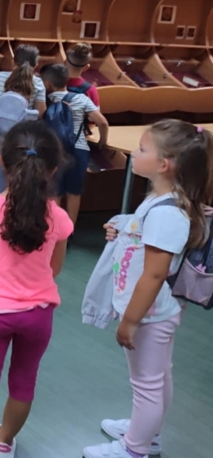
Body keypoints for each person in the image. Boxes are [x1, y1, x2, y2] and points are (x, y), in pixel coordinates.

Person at [83, 120, 213, 458]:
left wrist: (130, 320)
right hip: (155, 312)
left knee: (146, 384)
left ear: (163, 164)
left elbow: (154, 275)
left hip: (149, 315)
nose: (134, 153)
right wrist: (122, 227)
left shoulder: (167, 213)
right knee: (157, 377)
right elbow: (144, 234)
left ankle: (135, 448)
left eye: (142, 149)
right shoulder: (162, 199)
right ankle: (147, 432)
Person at [0, 121, 72, 458]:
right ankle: (4, 440)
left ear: (2, 161)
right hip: (38, 315)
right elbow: (55, 268)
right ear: (52, 169)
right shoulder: (58, 216)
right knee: (24, 381)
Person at [41, 63, 109, 225]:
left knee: (54, 191)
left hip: (53, 150)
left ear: (47, 84)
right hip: (78, 149)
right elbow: (102, 122)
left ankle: (54, 227)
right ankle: (70, 227)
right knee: (74, 191)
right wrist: (102, 141)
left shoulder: (44, 102)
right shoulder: (81, 98)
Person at [0, 45, 47, 195]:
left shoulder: (0, 77)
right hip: (22, 135)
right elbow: (40, 112)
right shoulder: (37, 82)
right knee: (19, 175)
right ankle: (16, 206)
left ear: (13, 61)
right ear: (36, 64)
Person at [65, 43, 100, 107]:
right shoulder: (90, 90)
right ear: (86, 67)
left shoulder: (52, 84)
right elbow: (96, 111)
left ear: (64, 62)